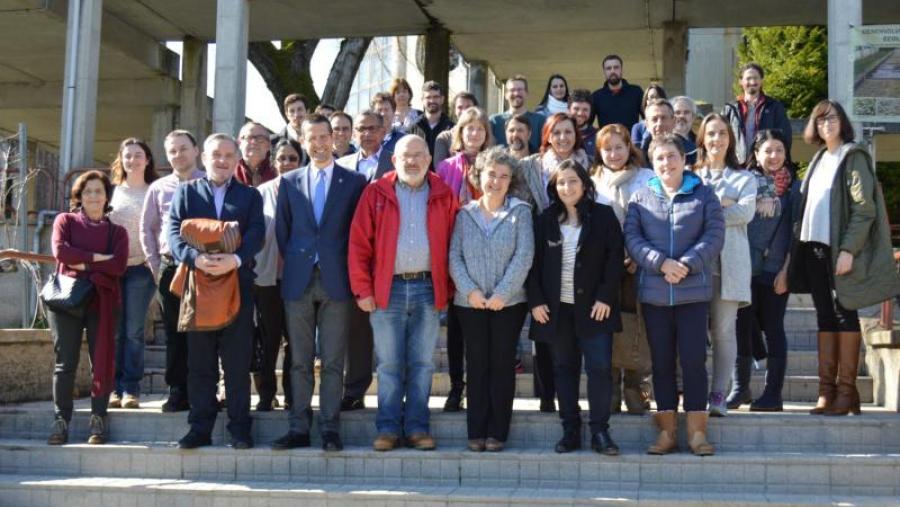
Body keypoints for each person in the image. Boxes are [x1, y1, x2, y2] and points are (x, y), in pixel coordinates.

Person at [789, 100, 900, 416]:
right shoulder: (819, 158)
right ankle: (827, 392)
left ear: (843, 122)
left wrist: (849, 250)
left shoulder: (853, 156)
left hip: (839, 250)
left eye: (833, 118)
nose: (827, 124)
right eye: (820, 119)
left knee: (844, 314)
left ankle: (847, 390)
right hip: (813, 248)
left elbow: (865, 209)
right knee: (824, 316)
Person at [348, 135, 458, 451]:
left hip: (428, 288)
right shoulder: (375, 192)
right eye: (406, 156)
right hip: (388, 289)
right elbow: (359, 244)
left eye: (419, 155)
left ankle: (417, 428)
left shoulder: (443, 194)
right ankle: (387, 429)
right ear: (394, 160)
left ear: (429, 159)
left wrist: (448, 288)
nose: (412, 161)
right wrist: (363, 289)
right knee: (389, 365)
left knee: (422, 364)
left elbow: (455, 242)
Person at [624, 133, 725, 456]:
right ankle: (666, 432)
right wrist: (660, 263)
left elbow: (714, 234)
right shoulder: (640, 198)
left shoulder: (704, 195)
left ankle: (697, 433)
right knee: (662, 362)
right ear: (652, 164)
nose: (666, 163)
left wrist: (686, 264)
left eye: (671, 156)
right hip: (655, 294)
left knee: (694, 361)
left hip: (692, 293)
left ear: (683, 159)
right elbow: (633, 238)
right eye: (659, 158)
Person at [272, 115, 368, 451]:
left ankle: (330, 429)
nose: (319, 144)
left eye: (324, 136)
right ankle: (298, 427)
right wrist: (301, 259)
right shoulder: (290, 182)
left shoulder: (354, 181)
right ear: (302, 140)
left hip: (337, 280)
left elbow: (358, 231)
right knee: (299, 360)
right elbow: (283, 231)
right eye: (311, 138)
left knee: (332, 360)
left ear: (334, 138)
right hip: (299, 279)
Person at [168, 133, 265, 450]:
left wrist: (234, 260)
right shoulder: (186, 192)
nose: (222, 160)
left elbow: (257, 234)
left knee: (237, 363)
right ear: (204, 158)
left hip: (237, 284)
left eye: (228, 155)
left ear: (237, 160)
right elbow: (173, 233)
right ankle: (200, 428)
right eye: (216, 155)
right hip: (199, 287)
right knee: (200, 363)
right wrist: (195, 259)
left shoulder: (250, 196)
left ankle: (240, 429)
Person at [528, 159, 624, 454]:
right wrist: (536, 301)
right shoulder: (545, 220)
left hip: (595, 308)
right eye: (561, 182)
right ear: (554, 188)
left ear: (584, 185)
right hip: (557, 311)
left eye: (572, 181)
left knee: (599, 369)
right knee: (563, 369)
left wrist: (606, 296)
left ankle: (600, 431)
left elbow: (615, 259)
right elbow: (532, 263)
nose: (567, 187)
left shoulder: (603, 216)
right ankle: (570, 429)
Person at [449, 147, 533, 452]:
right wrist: (470, 291)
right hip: (469, 303)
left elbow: (524, 255)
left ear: (511, 181)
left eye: (503, 176)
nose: (496, 181)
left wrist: (502, 293)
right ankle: (476, 431)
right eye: (491, 174)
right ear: (478, 175)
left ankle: (497, 432)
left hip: (507, 304)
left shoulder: (521, 212)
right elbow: (454, 256)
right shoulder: (465, 213)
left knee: (501, 364)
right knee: (477, 364)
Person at [46, 170, 129, 446]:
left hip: (102, 301)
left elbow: (118, 265)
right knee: (65, 363)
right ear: (79, 196)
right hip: (66, 299)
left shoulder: (118, 232)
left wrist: (82, 263)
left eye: (99, 191)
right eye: (88, 191)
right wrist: (99, 259)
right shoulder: (65, 221)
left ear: (107, 197)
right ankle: (61, 420)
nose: (93, 196)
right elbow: (61, 253)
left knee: (101, 361)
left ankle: (98, 419)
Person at [519, 113, 589, 412]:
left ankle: (569, 397)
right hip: (542, 248)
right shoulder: (530, 166)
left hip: (576, 251)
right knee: (543, 327)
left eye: (568, 132)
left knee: (570, 335)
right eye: (556, 132)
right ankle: (546, 395)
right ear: (547, 135)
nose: (562, 138)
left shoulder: (589, 164)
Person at [693, 113, 758, 417]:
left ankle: (719, 394)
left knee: (723, 331)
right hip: (694, 266)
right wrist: (723, 204)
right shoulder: (690, 175)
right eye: (710, 133)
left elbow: (745, 213)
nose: (716, 139)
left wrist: (708, 209)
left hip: (729, 265)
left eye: (721, 133)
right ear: (702, 139)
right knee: (691, 332)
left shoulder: (744, 178)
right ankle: (692, 392)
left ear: (730, 139)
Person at [729, 129, 798, 412]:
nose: (774, 156)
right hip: (744, 267)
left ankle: (773, 394)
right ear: (755, 154)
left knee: (773, 329)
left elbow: (796, 233)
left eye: (779, 150)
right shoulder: (744, 184)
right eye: (767, 150)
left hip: (775, 270)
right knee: (742, 328)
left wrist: (787, 270)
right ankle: (740, 389)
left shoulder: (794, 188)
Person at [590, 124, 654, 415]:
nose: (614, 154)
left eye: (619, 147)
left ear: (629, 147)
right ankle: (612, 388)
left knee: (636, 326)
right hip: (603, 267)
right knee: (608, 327)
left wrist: (637, 254)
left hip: (638, 264)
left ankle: (634, 386)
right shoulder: (592, 180)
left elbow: (654, 221)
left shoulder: (646, 178)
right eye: (607, 149)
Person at [140, 130, 205, 413]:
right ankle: (177, 390)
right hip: (170, 266)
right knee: (174, 332)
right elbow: (147, 228)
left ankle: (203, 390)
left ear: (196, 150)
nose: (178, 155)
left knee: (204, 333)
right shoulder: (158, 188)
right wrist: (155, 265)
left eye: (183, 148)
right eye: (172, 151)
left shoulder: (208, 183)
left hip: (204, 267)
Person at [436, 106, 493, 412]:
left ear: (486, 134)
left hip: (489, 254)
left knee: (484, 330)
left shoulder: (494, 164)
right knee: (457, 329)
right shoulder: (446, 167)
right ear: (460, 132)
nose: (474, 133)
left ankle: (481, 387)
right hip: (456, 252)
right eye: (469, 128)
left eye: (480, 128)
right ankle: (457, 387)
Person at [251, 139, 304, 413]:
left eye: (292, 158)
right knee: (268, 339)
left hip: (299, 278)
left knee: (296, 341)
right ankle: (266, 394)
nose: (287, 163)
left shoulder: (307, 191)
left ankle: (293, 395)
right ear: (273, 162)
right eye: (282, 158)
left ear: (301, 161)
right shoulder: (260, 193)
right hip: (268, 277)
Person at [108, 138, 159, 410]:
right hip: (113, 269)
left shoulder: (155, 190)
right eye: (128, 155)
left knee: (133, 331)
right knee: (115, 331)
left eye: (138, 155)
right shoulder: (112, 191)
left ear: (147, 160)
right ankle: (113, 388)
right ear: (121, 159)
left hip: (142, 268)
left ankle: (130, 388)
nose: (133, 160)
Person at [722, 62, 792, 166]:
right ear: (741, 81)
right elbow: (722, 135)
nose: (752, 82)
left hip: (765, 165)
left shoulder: (774, 107)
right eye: (748, 78)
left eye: (756, 78)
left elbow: (785, 137)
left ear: (761, 80)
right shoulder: (731, 109)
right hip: (737, 165)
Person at [489, 76, 546, 152]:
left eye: (520, 89)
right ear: (506, 95)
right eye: (512, 90)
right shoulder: (494, 121)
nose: (516, 93)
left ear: (526, 93)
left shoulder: (540, 121)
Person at [337, 110, 394, 182]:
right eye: (362, 129)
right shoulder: (341, 165)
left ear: (383, 132)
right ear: (354, 134)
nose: (367, 134)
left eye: (372, 128)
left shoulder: (396, 162)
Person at [407, 81, 454, 165]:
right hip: (419, 172)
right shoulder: (413, 128)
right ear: (422, 100)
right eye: (428, 97)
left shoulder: (452, 128)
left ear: (442, 99)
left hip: (444, 173)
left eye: (436, 97)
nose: (432, 100)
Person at [639, 98, 697, 166]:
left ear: (674, 121)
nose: (659, 124)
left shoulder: (692, 153)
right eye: (654, 119)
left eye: (664, 118)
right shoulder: (637, 158)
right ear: (647, 124)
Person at [591, 54, 644, 129]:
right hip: (606, 136)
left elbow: (648, 118)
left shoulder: (636, 92)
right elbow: (587, 124)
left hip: (631, 136)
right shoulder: (596, 96)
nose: (612, 71)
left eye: (616, 67)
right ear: (604, 72)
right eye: (608, 68)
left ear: (621, 70)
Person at [433, 91, 478, 167]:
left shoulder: (485, 135)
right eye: (460, 107)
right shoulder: (444, 138)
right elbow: (439, 168)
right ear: (454, 111)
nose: (464, 111)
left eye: (468, 107)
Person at [237, 122, 278, 187]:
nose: (254, 142)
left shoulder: (278, 170)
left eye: (260, 138)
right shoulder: (230, 172)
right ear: (239, 143)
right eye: (249, 137)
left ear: (269, 145)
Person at [569, 89, 597, 164]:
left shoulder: (598, 136)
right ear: (568, 109)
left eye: (585, 109)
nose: (580, 113)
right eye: (576, 109)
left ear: (590, 112)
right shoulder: (561, 135)